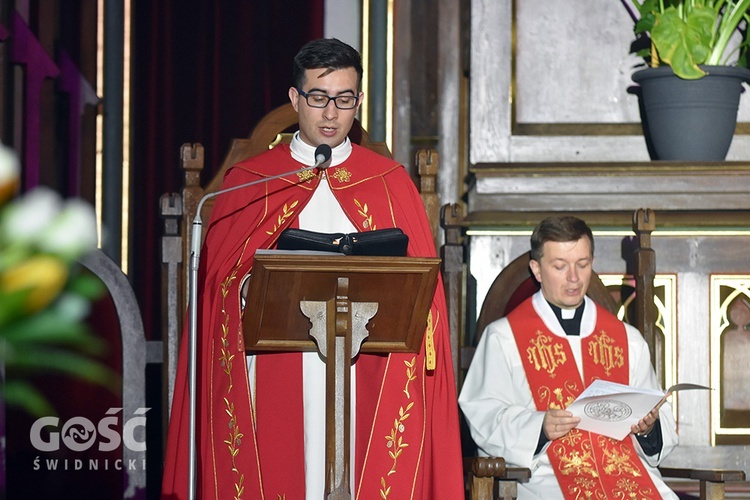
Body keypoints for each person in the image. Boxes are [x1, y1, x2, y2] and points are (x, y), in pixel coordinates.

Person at [161, 38, 464, 499]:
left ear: (358, 101)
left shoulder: (389, 183)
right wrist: (249, 287)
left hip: (370, 364)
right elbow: (218, 285)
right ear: (295, 98)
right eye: (319, 98)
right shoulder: (250, 182)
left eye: (344, 100)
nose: (330, 114)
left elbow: (424, 296)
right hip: (277, 363)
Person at [458, 216, 679, 499]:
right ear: (536, 270)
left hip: (626, 471)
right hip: (542, 477)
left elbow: (656, 414)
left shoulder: (627, 339)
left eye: (583, 264)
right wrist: (539, 426)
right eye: (560, 266)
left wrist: (648, 428)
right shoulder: (504, 337)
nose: (574, 278)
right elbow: (483, 414)